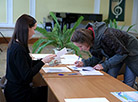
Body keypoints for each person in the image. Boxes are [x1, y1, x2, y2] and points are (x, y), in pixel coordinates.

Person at [4, 14, 56, 102]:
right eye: (34, 29)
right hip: (18, 94)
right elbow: (27, 75)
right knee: (51, 93)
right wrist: (42, 62)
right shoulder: (18, 49)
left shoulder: (16, 43)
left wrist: (43, 60)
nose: (34, 32)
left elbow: (26, 63)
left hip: (15, 89)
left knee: (48, 90)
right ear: (27, 28)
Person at [71, 22, 138, 87]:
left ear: (86, 41)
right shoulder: (91, 39)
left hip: (131, 51)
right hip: (116, 53)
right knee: (110, 77)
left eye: (80, 46)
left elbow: (123, 53)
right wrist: (84, 63)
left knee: (128, 83)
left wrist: (104, 65)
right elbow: (97, 57)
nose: (80, 49)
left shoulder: (106, 35)